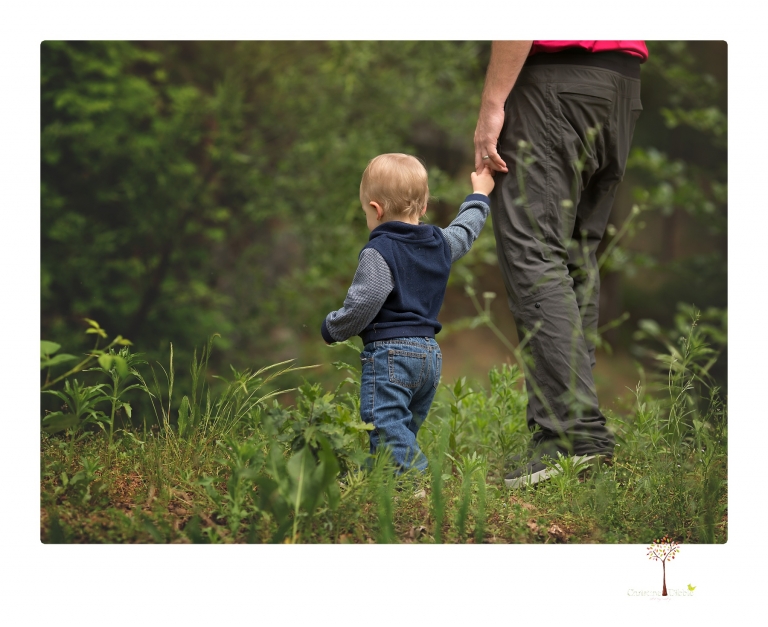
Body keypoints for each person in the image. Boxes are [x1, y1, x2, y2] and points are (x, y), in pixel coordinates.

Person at [473, 41, 647, 488]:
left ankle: (570, 437)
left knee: (534, 248)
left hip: (555, 84)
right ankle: (577, 435)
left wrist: (493, 102)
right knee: (575, 254)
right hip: (622, 86)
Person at [322, 153, 495, 473]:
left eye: (365, 213)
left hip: (391, 355)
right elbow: (465, 231)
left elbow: (365, 301)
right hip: (429, 357)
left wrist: (334, 327)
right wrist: (479, 194)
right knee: (400, 434)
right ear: (424, 207)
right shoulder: (439, 242)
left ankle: (415, 487)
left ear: (376, 209)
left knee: (387, 428)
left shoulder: (380, 250)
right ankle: (386, 489)